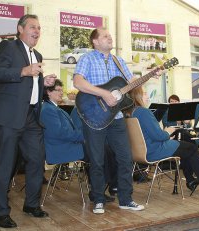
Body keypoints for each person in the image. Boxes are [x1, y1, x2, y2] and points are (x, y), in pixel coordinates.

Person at [73, 27, 154, 214]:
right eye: (105, 36)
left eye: (110, 35)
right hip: (94, 115)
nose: (110, 38)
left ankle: (126, 199)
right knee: (97, 160)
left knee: (126, 158)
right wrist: (104, 94)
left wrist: (150, 75)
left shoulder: (118, 61)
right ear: (95, 41)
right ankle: (99, 199)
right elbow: (78, 82)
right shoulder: (87, 58)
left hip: (116, 117)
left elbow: (132, 82)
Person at [0, 14, 56, 228]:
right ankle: (0, 212)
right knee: (6, 165)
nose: (37, 31)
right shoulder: (8, 47)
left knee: (37, 160)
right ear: (20, 28)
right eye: (33, 27)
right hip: (9, 117)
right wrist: (23, 71)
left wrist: (44, 83)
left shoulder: (38, 54)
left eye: (39, 28)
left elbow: (28, 88)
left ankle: (32, 204)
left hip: (31, 118)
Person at [127, 87, 199, 194]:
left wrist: (165, 135)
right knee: (192, 148)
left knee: (186, 150)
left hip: (141, 151)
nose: (147, 96)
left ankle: (191, 181)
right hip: (155, 149)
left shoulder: (131, 112)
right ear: (138, 96)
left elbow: (147, 134)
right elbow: (159, 136)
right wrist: (168, 132)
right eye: (145, 93)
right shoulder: (144, 112)